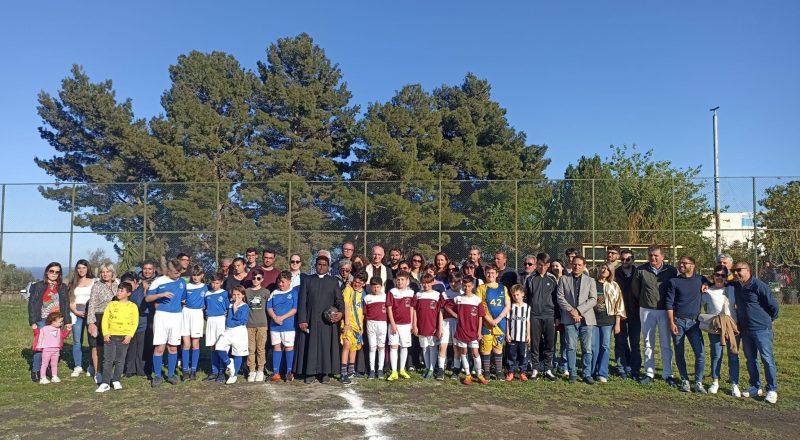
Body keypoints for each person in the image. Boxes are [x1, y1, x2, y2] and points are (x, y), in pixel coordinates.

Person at [731, 262, 780, 404]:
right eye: (734, 270)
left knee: (767, 359)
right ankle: (755, 386)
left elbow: (773, 305)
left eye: (739, 270)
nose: (736, 273)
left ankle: (772, 389)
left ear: (748, 270)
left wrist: (770, 319)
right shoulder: (737, 286)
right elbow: (717, 279)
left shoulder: (758, 285)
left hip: (761, 329)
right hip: (745, 329)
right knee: (751, 359)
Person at [632, 245, 678, 385]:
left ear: (662, 256)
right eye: (651, 255)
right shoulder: (641, 270)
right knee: (647, 342)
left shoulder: (671, 270)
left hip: (665, 310)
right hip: (646, 310)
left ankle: (667, 374)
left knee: (666, 343)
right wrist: (645, 301)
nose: (653, 257)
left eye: (656, 255)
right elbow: (636, 290)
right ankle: (649, 373)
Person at [295, 255, 344, 384]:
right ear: (315, 265)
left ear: (328, 267)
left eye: (324, 265)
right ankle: (310, 373)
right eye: (319, 264)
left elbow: (339, 301)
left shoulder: (333, 281)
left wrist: (340, 313)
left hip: (327, 321)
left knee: (325, 346)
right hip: (310, 319)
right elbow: (302, 301)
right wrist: (302, 319)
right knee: (310, 345)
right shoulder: (307, 280)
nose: (321, 267)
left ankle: (324, 373)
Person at [665, 256, 709, 393]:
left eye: (685, 263)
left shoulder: (701, 279)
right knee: (679, 352)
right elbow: (669, 304)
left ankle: (698, 382)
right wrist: (671, 322)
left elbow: (720, 281)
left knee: (700, 353)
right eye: (680, 263)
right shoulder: (674, 281)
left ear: (693, 265)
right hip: (678, 321)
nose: (681, 265)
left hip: (694, 323)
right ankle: (684, 380)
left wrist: (707, 284)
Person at [146, 258, 187, 387]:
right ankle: (157, 376)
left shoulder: (182, 282)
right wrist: (161, 295)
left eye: (180, 273)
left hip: (176, 318)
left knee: (173, 347)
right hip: (162, 317)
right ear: (168, 271)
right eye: (175, 273)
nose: (178, 275)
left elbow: (183, 300)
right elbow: (148, 298)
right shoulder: (158, 281)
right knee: (159, 347)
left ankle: (170, 375)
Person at [557, 255, 597, 384]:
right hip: (569, 318)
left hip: (586, 319)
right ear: (571, 264)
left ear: (584, 266)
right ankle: (572, 373)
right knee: (571, 347)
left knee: (587, 348)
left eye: (580, 265)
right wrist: (571, 311)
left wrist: (578, 310)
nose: (577, 267)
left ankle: (587, 374)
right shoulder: (564, 279)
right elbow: (560, 297)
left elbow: (593, 299)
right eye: (575, 264)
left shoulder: (590, 281)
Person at [702, 264, 740, 396]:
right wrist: (705, 283)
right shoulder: (707, 291)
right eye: (717, 275)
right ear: (713, 275)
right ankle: (715, 381)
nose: (719, 277)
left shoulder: (732, 289)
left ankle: (734, 384)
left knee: (733, 355)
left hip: (731, 326)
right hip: (716, 327)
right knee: (716, 355)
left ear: (726, 277)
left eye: (723, 275)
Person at [443, 275, 488, 385]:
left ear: (472, 286)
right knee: (463, 352)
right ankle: (467, 375)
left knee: (475, 352)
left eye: (469, 286)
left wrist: (479, 331)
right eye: (465, 286)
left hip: (473, 331)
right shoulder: (458, 299)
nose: (467, 288)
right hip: (461, 330)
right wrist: (455, 315)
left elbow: (481, 316)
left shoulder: (477, 300)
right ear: (462, 286)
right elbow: (446, 306)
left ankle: (479, 374)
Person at [96, 282, 139, 392]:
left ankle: (116, 380)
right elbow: (105, 320)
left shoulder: (133, 306)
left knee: (120, 360)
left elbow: (135, 322)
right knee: (108, 360)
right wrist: (105, 333)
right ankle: (105, 382)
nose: (118, 292)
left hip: (124, 337)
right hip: (110, 337)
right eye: (118, 290)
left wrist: (130, 335)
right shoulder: (111, 304)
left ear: (128, 293)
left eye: (122, 291)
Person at [524, 252, 558, 381]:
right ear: (536, 265)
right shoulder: (530, 278)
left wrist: (557, 316)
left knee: (550, 343)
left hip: (549, 315)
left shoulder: (552, 279)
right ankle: (535, 369)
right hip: (534, 316)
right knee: (535, 343)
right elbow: (527, 299)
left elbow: (556, 299)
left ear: (548, 265)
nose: (542, 268)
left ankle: (548, 369)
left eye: (544, 265)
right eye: (539, 265)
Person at [591, 263, 626, 383]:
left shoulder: (614, 286)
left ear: (610, 272)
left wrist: (617, 324)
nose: (604, 270)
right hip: (593, 320)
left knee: (605, 346)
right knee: (593, 347)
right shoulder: (592, 283)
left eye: (607, 269)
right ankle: (591, 371)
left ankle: (602, 373)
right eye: (602, 268)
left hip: (607, 321)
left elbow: (618, 305)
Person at [476, 265, 511, 382]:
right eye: (488, 273)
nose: (490, 275)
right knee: (486, 348)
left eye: (492, 273)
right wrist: (489, 320)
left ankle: (499, 372)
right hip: (486, 324)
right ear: (485, 274)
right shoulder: (481, 288)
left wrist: (499, 318)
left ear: (497, 274)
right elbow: (479, 306)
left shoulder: (503, 288)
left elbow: (507, 305)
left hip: (500, 324)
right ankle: (486, 372)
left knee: (498, 348)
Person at [86, 263, 119, 384]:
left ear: (112, 273)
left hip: (112, 318)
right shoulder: (97, 286)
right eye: (103, 272)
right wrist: (91, 322)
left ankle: (109, 371)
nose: (105, 274)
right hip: (98, 316)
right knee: (97, 347)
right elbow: (92, 305)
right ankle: (98, 372)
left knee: (111, 346)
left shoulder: (117, 285)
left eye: (107, 271)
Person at [267, 271, 299, 382]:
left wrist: (282, 318)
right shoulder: (274, 293)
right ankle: (276, 373)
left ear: (289, 282)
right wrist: (275, 317)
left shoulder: (294, 293)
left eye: (283, 282)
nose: (281, 284)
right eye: (279, 282)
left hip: (288, 326)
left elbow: (294, 309)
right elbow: (269, 307)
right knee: (277, 347)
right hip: (275, 326)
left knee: (289, 347)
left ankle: (289, 373)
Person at [214, 285, 250, 384]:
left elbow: (239, 319)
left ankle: (234, 375)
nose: (236, 296)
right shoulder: (229, 305)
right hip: (228, 331)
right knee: (219, 347)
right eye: (234, 294)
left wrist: (235, 306)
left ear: (243, 295)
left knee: (238, 354)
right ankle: (229, 363)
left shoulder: (245, 306)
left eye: (238, 294)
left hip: (239, 332)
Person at [614, 249, 641, 380]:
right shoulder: (615, 273)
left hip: (636, 313)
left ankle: (635, 369)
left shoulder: (639, 273)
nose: (625, 262)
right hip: (620, 312)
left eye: (627, 259)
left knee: (635, 343)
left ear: (632, 260)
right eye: (622, 259)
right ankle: (622, 368)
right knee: (620, 341)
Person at [412, 273, 444, 380]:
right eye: (424, 283)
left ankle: (431, 368)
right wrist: (414, 325)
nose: (426, 286)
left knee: (432, 347)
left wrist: (439, 327)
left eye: (428, 283)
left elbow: (440, 312)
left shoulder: (437, 295)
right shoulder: (418, 295)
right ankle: (426, 366)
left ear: (432, 283)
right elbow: (415, 311)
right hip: (421, 326)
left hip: (432, 326)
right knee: (424, 347)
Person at [67, 259, 94, 377]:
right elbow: (70, 300)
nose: (81, 270)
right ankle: (77, 366)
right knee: (77, 341)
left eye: (83, 267)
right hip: (76, 312)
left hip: (90, 311)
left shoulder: (94, 281)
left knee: (91, 340)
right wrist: (76, 311)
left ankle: (91, 366)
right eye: (79, 268)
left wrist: (89, 311)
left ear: (87, 268)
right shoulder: (73, 283)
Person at [386, 271, 414, 381]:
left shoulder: (411, 293)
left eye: (402, 279)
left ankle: (402, 369)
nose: (400, 281)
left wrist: (411, 323)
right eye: (398, 279)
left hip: (406, 325)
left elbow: (412, 308)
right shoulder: (392, 292)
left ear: (407, 281)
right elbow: (389, 308)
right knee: (393, 346)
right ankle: (394, 371)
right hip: (394, 325)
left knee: (404, 346)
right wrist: (392, 324)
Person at [340, 271, 367, 384]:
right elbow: (346, 306)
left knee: (354, 347)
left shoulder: (364, 294)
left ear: (364, 284)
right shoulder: (348, 290)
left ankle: (351, 370)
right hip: (348, 324)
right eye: (355, 282)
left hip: (357, 325)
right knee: (346, 345)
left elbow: (362, 312)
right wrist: (346, 324)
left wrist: (361, 327)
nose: (356, 284)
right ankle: (343, 373)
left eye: (359, 283)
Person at [181, 265, 207, 381]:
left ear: (202, 275)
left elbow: (208, 301)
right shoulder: (186, 286)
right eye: (194, 275)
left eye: (198, 275)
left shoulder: (205, 287)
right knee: (186, 344)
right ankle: (185, 370)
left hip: (197, 314)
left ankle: (194, 370)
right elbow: (181, 300)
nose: (196, 277)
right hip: (186, 314)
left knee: (195, 344)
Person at [203, 273, 229, 382]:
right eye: (213, 282)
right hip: (210, 321)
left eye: (217, 283)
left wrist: (226, 313)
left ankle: (222, 372)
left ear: (221, 283)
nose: (214, 285)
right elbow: (205, 307)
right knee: (212, 346)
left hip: (220, 321)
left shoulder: (224, 293)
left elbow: (228, 307)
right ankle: (214, 372)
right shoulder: (207, 293)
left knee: (220, 346)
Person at [245, 269, 270, 382]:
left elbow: (269, 308)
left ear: (262, 280)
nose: (256, 280)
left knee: (260, 349)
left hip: (262, 325)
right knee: (251, 349)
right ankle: (252, 370)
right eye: (254, 278)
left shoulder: (265, 292)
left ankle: (260, 370)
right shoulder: (247, 292)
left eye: (258, 278)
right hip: (249, 324)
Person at [122, 272, 147, 377]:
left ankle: (141, 370)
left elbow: (141, 304)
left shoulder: (141, 290)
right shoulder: (127, 293)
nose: (127, 286)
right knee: (131, 347)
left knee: (141, 347)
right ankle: (130, 369)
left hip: (141, 323)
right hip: (129, 325)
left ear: (135, 282)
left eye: (129, 283)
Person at [439, 272, 463, 380]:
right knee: (442, 346)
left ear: (460, 281)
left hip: (458, 324)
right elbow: (441, 311)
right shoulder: (444, 294)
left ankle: (456, 370)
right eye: (451, 281)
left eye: (457, 281)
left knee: (456, 347)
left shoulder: (463, 294)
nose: (454, 283)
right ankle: (440, 370)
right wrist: (440, 326)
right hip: (446, 322)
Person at [35, 311, 70, 384]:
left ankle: (54, 376)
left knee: (54, 364)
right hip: (47, 350)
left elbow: (63, 336)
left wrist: (68, 330)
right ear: (53, 321)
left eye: (61, 322)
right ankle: (42, 378)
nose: (61, 323)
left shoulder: (59, 329)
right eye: (59, 322)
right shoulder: (45, 329)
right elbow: (38, 336)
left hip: (56, 350)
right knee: (44, 364)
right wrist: (34, 329)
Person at [364, 276, 388, 379]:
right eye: (373, 287)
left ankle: (380, 370)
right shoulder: (367, 298)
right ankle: (372, 370)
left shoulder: (386, 297)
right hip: (371, 324)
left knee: (381, 347)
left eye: (378, 287)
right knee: (372, 347)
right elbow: (364, 313)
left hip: (382, 324)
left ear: (381, 286)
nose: (375, 289)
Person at [506, 284, 531, 381]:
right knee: (511, 355)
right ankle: (511, 372)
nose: (516, 297)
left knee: (523, 354)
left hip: (523, 337)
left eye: (517, 294)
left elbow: (528, 322)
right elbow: (508, 321)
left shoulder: (527, 307)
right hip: (513, 336)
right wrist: (507, 334)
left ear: (522, 294)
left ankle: (522, 372)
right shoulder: (511, 307)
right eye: (513, 295)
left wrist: (528, 335)